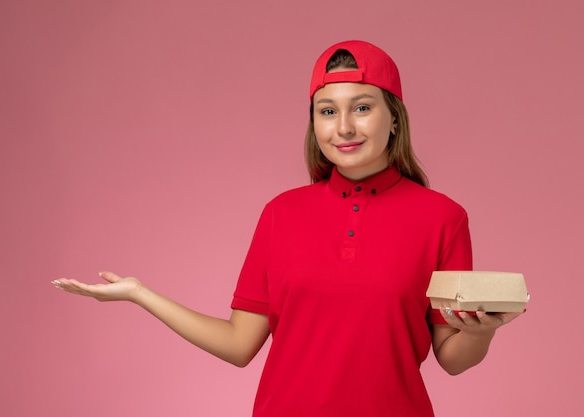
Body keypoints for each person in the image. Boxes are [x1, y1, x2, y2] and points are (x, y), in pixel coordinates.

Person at [53, 40, 523, 416]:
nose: (343, 127)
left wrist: (481, 331)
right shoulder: (282, 213)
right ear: (313, 123)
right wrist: (141, 294)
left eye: (361, 107)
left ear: (394, 119)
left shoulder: (442, 217)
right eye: (327, 110)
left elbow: (452, 358)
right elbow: (240, 345)